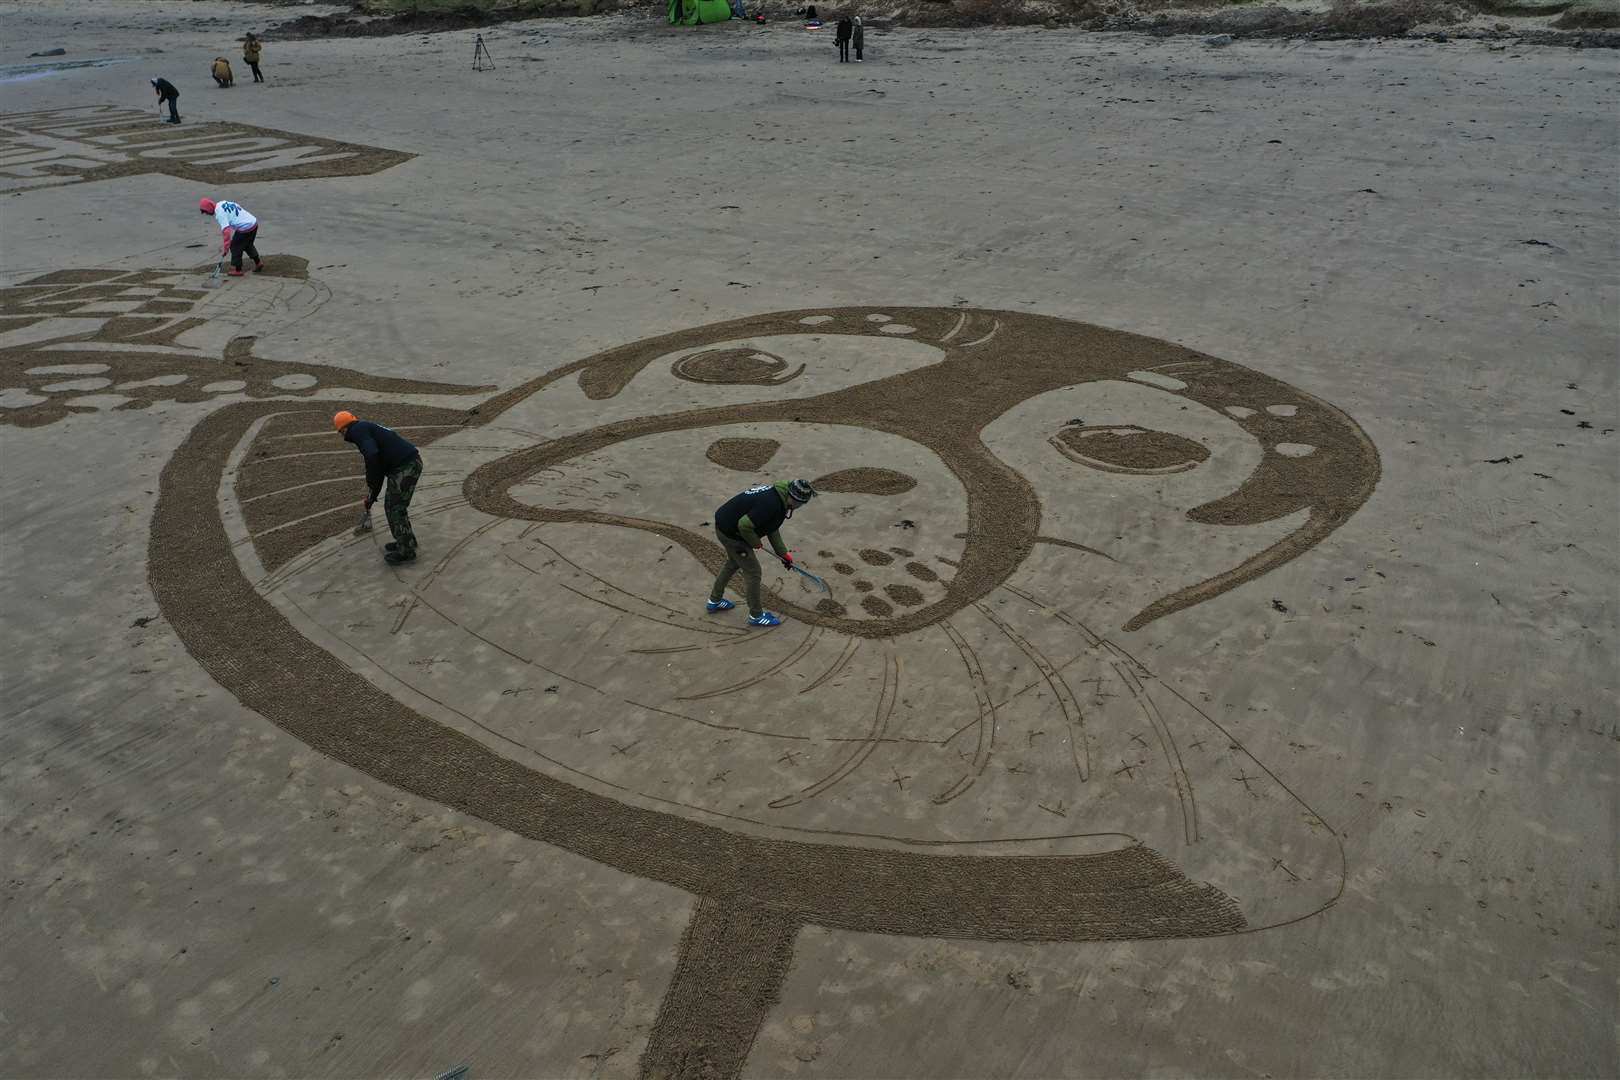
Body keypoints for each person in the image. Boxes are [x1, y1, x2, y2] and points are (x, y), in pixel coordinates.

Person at [707, 479, 817, 627]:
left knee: (733, 563)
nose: (799, 507)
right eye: (800, 504)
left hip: (726, 525)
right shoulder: (771, 504)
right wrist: (755, 543)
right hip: (731, 533)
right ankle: (756, 616)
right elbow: (744, 525)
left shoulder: (780, 495)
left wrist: (783, 553)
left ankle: (714, 600)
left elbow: (771, 526)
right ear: (794, 499)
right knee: (753, 572)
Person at [334, 411, 423, 566]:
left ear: (343, 429)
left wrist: (371, 485)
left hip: (406, 466)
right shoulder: (364, 427)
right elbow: (378, 466)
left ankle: (406, 551)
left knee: (395, 507)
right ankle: (406, 541)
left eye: (341, 433)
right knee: (393, 506)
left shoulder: (357, 431)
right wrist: (372, 494)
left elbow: (372, 457)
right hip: (406, 464)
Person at [198, 197, 263, 276]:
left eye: (205, 211)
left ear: (209, 208)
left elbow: (226, 231)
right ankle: (258, 262)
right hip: (253, 222)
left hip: (245, 227)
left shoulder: (220, 214)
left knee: (235, 246)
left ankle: (237, 270)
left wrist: (226, 247)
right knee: (247, 245)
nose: (206, 214)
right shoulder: (221, 203)